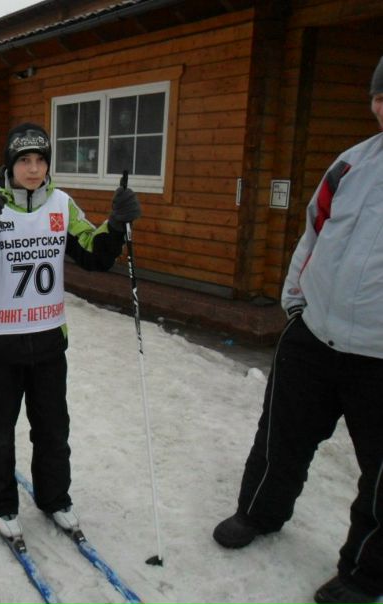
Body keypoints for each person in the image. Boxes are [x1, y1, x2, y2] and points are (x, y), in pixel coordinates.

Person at [212, 57, 383, 604]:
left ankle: (365, 575)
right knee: (280, 437)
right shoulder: (351, 165)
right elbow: (313, 233)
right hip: (315, 334)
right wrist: (295, 299)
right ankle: (259, 512)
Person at [0, 122, 141, 539]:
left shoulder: (62, 205)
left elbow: (92, 254)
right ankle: (0, 504)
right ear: (9, 165)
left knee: (53, 427)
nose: (33, 169)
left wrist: (117, 225)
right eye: (24, 161)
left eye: (40, 160)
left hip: (49, 339)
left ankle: (55, 497)